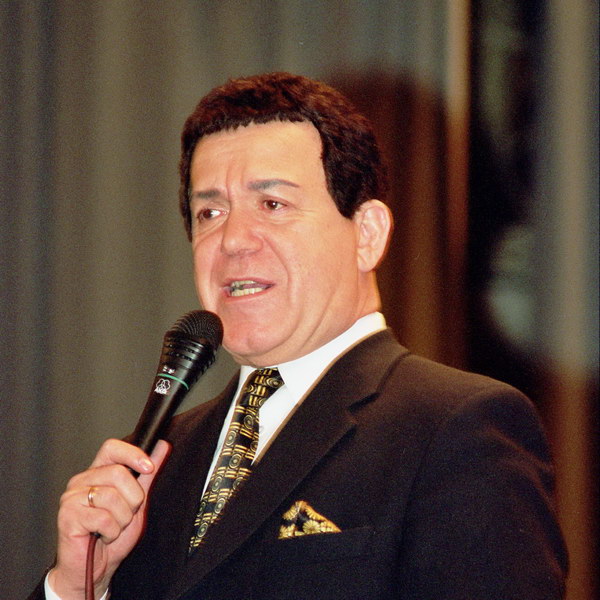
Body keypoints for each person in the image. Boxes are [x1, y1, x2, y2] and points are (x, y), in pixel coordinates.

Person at [30, 72, 567, 600]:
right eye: (210, 212)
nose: (233, 240)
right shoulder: (157, 461)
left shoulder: (454, 429)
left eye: (273, 204)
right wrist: (77, 586)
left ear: (367, 234)